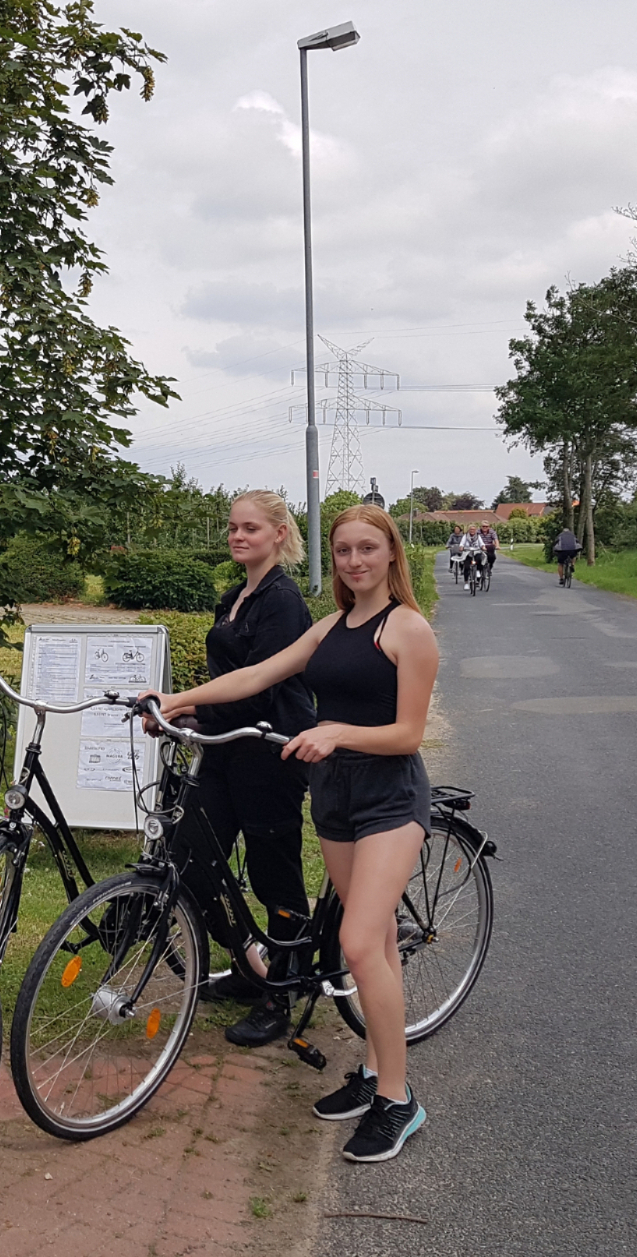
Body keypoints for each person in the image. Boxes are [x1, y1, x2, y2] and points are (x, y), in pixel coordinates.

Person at [149, 505, 440, 1164]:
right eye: (343, 550)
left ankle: (397, 1100)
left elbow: (408, 733)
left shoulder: (408, 629)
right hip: (332, 795)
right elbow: (256, 675)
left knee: (359, 940)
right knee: (377, 947)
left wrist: (336, 731)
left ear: (390, 553)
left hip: (388, 796)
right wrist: (178, 698)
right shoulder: (332, 625)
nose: (354, 561)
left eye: (367, 548)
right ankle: (371, 1076)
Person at [178, 490, 317, 1047]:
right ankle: (246, 963)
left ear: (279, 534)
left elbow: (260, 690)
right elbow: (227, 683)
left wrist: (188, 702)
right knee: (192, 862)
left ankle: (282, 991)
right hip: (223, 747)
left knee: (273, 875)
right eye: (234, 528)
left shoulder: (282, 602)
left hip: (270, 753)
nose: (238, 536)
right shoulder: (234, 595)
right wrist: (186, 708)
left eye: (251, 528)